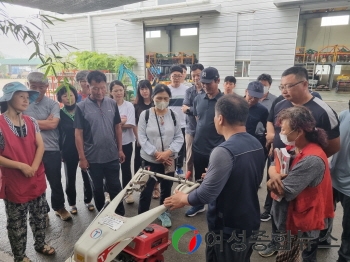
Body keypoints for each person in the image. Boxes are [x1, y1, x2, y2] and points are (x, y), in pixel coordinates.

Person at [164, 94, 265, 262]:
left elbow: (205, 195)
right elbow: (247, 178)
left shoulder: (223, 151)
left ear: (220, 118)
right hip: (249, 221)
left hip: (227, 228)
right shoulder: (255, 143)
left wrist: (183, 198)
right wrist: (215, 175)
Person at [260, 66, 340, 258]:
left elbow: (334, 145)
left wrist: (305, 167)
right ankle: (276, 241)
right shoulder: (281, 103)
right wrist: (274, 171)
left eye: (289, 86)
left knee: (301, 239)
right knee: (280, 217)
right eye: (281, 86)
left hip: (302, 179)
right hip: (282, 168)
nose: (284, 91)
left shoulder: (322, 111)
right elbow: (271, 122)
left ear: (304, 84)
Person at [267, 106, 334, 262]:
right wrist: (275, 174)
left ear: (299, 131)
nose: (281, 134)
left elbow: (285, 190)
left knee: (297, 256)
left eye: (284, 130)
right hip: (292, 219)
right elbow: (274, 161)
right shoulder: (294, 147)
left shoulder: (311, 159)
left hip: (301, 224)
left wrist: (271, 182)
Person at [0, 82, 56, 262]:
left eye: (27, 97)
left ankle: (40, 244)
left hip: (35, 177)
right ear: (9, 98)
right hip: (15, 182)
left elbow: (40, 146)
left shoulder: (31, 122)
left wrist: (32, 166)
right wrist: (22, 166)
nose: (26, 100)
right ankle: (19, 255)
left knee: (39, 217)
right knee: (17, 224)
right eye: (21, 96)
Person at [74, 70, 125, 215]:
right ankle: (102, 216)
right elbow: (78, 133)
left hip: (111, 155)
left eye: (102, 87)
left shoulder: (112, 103)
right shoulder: (81, 107)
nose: (99, 91)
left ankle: (119, 215)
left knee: (115, 186)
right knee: (97, 188)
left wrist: (120, 149)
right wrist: (82, 157)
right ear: (88, 87)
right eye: (95, 88)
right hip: (92, 158)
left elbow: (117, 127)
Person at [25, 72, 71, 221]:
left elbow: (53, 124)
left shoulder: (53, 104)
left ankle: (59, 207)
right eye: (34, 87)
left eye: (41, 87)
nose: (38, 90)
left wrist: (29, 122)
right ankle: (42, 211)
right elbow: (18, 124)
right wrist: (42, 122)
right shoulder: (23, 104)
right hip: (30, 151)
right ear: (28, 86)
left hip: (51, 149)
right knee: (36, 182)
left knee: (55, 180)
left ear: (47, 87)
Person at [137, 84, 183, 228]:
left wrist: (168, 153)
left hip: (169, 159)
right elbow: (142, 138)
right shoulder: (145, 115)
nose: (162, 101)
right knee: (146, 189)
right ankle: (142, 217)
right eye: (159, 98)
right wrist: (156, 153)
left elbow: (179, 137)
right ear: (152, 98)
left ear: (169, 99)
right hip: (150, 159)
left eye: (165, 98)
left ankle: (163, 212)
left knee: (166, 187)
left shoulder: (174, 116)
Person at [186, 66, 225, 217]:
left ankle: (217, 208)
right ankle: (199, 204)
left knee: (216, 180)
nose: (205, 85)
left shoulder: (224, 102)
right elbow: (198, 119)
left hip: (218, 149)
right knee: (199, 178)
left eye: (209, 82)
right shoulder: (198, 99)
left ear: (218, 81)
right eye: (203, 82)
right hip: (199, 146)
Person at [57, 84, 94, 214]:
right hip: (68, 150)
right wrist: (60, 151)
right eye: (65, 96)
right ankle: (72, 203)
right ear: (60, 99)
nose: (69, 98)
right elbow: (58, 135)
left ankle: (88, 200)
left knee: (87, 176)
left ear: (76, 96)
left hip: (85, 149)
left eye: (71, 95)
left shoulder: (81, 110)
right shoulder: (59, 114)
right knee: (70, 178)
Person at [110, 80, 136, 204]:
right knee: (111, 169)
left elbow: (131, 124)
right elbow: (106, 125)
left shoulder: (129, 106)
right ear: (111, 92)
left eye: (121, 90)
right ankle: (110, 193)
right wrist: (122, 121)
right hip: (110, 143)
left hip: (126, 142)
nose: (119, 93)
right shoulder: (107, 105)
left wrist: (115, 124)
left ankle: (128, 192)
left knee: (126, 168)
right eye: (116, 90)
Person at [256, 73, 277, 222]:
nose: (263, 87)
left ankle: (268, 208)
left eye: (265, 85)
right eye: (260, 84)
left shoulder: (276, 101)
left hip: (269, 141)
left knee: (271, 173)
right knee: (255, 170)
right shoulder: (250, 98)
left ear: (269, 85)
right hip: (253, 139)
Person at [330, 108, 350, 262]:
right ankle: (324, 239)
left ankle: (344, 258)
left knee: (348, 228)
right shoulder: (344, 114)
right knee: (325, 215)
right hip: (334, 178)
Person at [182, 63, 204, 176]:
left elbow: (189, 109)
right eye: (193, 75)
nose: (196, 78)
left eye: (198, 75)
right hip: (191, 130)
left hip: (205, 132)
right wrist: (197, 110)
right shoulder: (189, 91)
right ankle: (188, 183)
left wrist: (191, 109)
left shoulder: (207, 91)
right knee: (189, 158)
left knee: (204, 158)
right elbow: (184, 108)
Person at [168, 65, 188, 175]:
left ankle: (179, 167)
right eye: (174, 76)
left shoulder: (186, 90)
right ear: (170, 77)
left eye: (178, 76)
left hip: (183, 124)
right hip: (169, 124)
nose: (176, 78)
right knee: (170, 146)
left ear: (182, 77)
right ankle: (170, 167)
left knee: (181, 147)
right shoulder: (166, 90)